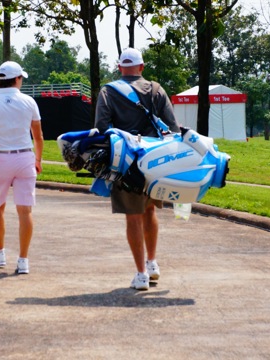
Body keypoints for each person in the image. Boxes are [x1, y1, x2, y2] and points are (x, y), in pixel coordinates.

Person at [95, 48, 180, 290]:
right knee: (150, 211)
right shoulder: (156, 90)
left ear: (120, 67)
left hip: (125, 160)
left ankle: (141, 274)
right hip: (155, 160)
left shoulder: (108, 92)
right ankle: (152, 263)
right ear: (141, 67)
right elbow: (172, 128)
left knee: (132, 217)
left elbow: (101, 128)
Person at [0, 61, 44, 275]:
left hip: (0, 159)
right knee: (25, 210)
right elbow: (38, 135)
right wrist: (39, 159)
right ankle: (23, 260)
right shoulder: (28, 101)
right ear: (16, 79)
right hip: (24, 157)